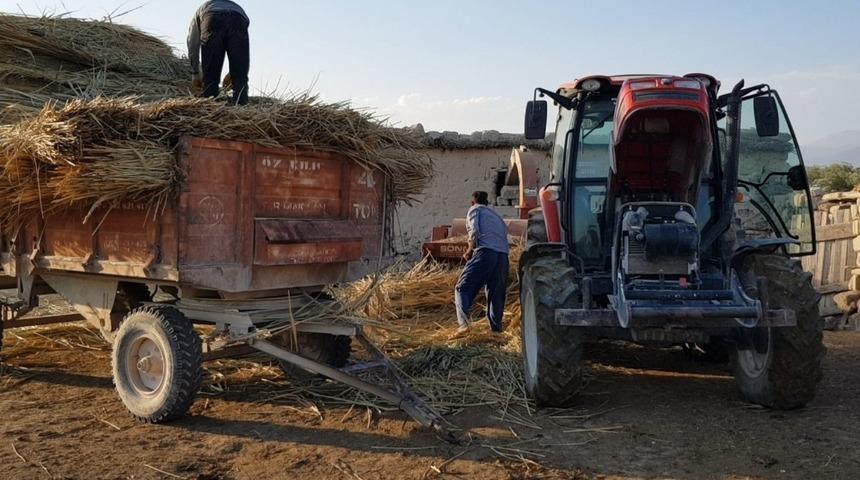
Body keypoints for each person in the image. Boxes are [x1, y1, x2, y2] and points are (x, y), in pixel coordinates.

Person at [451, 191, 510, 338]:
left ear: (473, 202)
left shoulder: (474, 210)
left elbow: (475, 230)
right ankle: (496, 332)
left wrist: (470, 250)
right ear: (487, 203)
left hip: (485, 252)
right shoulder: (497, 217)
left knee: (462, 288)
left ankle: (464, 326)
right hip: (503, 256)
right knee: (496, 294)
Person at [187, 1, 250, 105]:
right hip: (239, 20)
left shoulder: (202, 9)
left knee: (210, 78)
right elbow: (242, 56)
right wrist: (235, 74)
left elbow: (192, 43)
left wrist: (195, 73)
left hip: (212, 19)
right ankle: (242, 111)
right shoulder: (237, 8)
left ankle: (210, 109)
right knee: (240, 79)